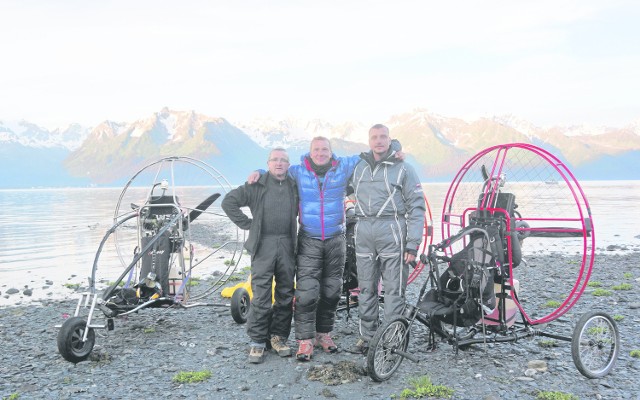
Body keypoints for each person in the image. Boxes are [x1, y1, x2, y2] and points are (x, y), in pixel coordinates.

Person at [248, 136, 402, 361]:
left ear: (331, 151)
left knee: (331, 292)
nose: (320, 153)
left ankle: (324, 334)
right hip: (309, 238)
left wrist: (395, 148)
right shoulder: (297, 172)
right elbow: (276, 170)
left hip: (335, 239)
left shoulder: (344, 166)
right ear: (310, 152)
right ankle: (305, 340)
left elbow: (372, 153)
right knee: (307, 293)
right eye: (316, 150)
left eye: (325, 149)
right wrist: (259, 170)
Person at [347, 124, 426, 355]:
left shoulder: (405, 168)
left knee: (393, 290)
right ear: (369, 141)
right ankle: (367, 337)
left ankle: (392, 338)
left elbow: (417, 207)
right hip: (363, 232)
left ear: (390, 140)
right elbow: (337, 183)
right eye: (374, 137)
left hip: (392, 230)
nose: (379, 141)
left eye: (383, 137)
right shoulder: (358, 168)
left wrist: (413, 243)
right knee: (366, 289)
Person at [222, 147, 299, 364]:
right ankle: (257, 341)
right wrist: (249, 224)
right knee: (262, 295)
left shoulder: (295, 185)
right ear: (268, 163)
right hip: (263, 245)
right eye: (275, 160)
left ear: (288, 165)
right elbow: (229, 202)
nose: (279, 163)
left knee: (285, 294)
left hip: (287, 244)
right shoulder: (257, 185)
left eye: (283, 160)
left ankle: (278, 337)